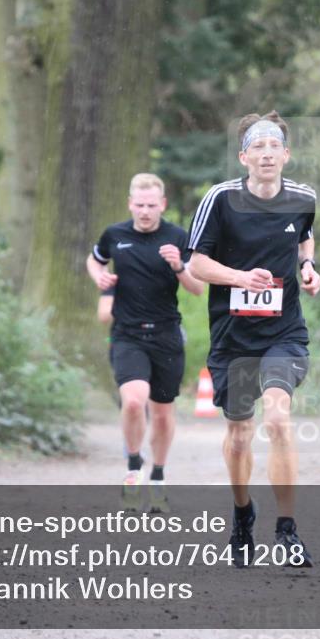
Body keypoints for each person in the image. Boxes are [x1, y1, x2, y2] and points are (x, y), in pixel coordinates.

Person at [187, 111, 320, 567]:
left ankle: (287, 529)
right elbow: (196, 265)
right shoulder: (220, 199)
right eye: (257, 148)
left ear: (286, 155)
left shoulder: (303, 197)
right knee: (240, 435)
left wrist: (308, 268)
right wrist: (243, 277)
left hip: (284, 332)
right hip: (232, 335)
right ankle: (243, 513)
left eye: (274, 147)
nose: (266, 154)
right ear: (245, 156)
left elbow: (305, 239)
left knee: (279, 421)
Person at [87, 173, 204, 512]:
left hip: (166, 334)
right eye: (139, 205)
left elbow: (197, 287)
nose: (145, 211)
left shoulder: (178, 237)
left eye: (152, 205)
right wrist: (100, 277)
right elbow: (94, 259)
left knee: (164, 414)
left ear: (162, 205)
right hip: (128, 334)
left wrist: (179, 266)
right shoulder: (115, 235)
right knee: (135, 401)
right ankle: (133, 467)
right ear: (130, 204)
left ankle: (158, 476)